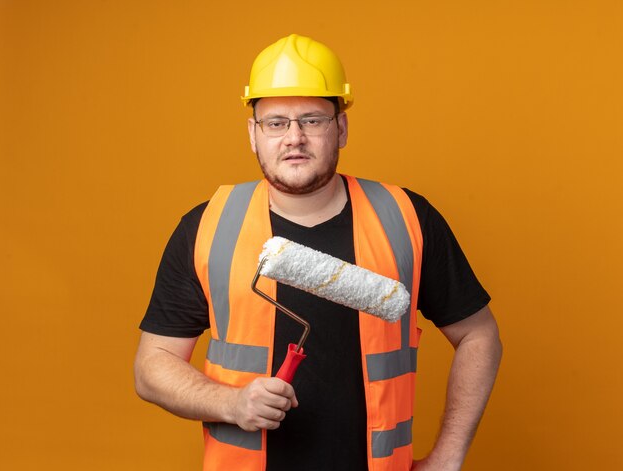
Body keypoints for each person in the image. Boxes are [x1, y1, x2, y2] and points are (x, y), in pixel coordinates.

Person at [134, 34, 502, 471]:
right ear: (253, 133)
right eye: (276, 123)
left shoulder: (406, 219)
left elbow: (480, 336)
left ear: (341, 128)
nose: (294, 138)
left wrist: (448, 456)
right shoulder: (209, 227)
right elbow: (151, 367)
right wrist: (231, 403)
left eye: (312, 120)